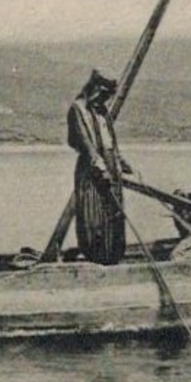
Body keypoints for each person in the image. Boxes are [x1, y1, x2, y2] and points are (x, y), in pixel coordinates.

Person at [66, 70, 130, 265]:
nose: (104, 98)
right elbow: (85, 141)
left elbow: (111, 141)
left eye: (108, 94)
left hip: (110, 165)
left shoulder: (102, 112)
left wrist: (121, 163)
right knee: (93, 213)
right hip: (91, 167)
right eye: (102, 92)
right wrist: (99, 165)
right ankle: (97, 257)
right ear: (93, 88)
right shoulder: (78, 109)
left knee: (114, 211)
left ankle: (113, 256)